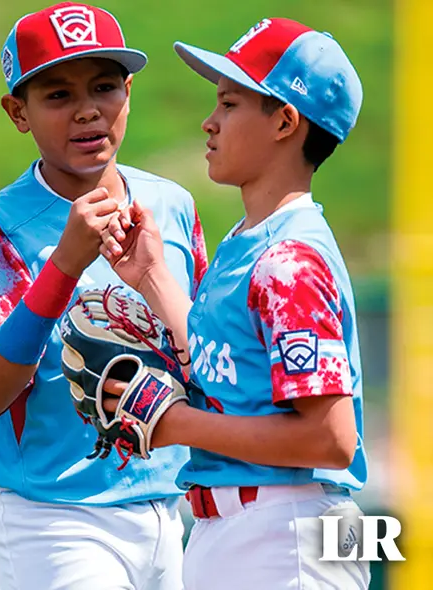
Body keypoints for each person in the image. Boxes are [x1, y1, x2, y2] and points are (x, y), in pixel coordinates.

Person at [96, 17, 369, 590]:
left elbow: (331, 439)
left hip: (289, 531)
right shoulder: (251, 241)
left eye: (229, 103)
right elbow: (229, 374)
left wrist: (177, 424)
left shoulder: (289, 260)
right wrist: (151, 277)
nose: (209, 121)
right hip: (250, 529)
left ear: (285, 122)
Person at [0, 3, 207, 589]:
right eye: (57, 95)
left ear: (129, 91)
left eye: (105, 86)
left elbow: (205, 357)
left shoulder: (171, 205)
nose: (89, 109)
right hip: (51, 518)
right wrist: (63, 265)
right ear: (19, 112)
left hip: (169, 508)